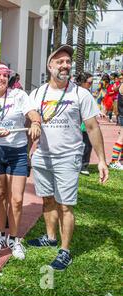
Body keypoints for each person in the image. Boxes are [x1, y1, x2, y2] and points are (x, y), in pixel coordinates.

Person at [27, 45, 109, 271]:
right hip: (42, 156)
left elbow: (92, 127)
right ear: (49, 66)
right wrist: (26, 154)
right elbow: (30, 121)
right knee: (47, 199)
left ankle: (64, 251)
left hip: (68, 157)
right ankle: (50, 237)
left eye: (67, 62)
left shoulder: (80, 93)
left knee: (65, 205)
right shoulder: (38, 93)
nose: (65, 65)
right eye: (60, 61)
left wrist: (101, 160)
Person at [0, 62, 42, 260]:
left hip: (17, 153)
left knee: (17, 199)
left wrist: (36, 122)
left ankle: (14, 239)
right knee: (1, 195)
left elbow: (32, 113)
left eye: (5, 75)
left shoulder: (18, 95)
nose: (1, 78)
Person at [75, 72, 94, 175]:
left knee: (86, 144)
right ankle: (83, 165)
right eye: (90, 82)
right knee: (86, 144)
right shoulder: (81, 93)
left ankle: (83, 164)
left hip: (83, 123)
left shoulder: (85, 92)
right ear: (83, 82)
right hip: (81, 123)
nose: (91, 85)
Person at [109, 76, 123, 170]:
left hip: (121, 115)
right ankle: (114, 162)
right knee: (121, 139)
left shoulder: (120, 87)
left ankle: (120, 161)